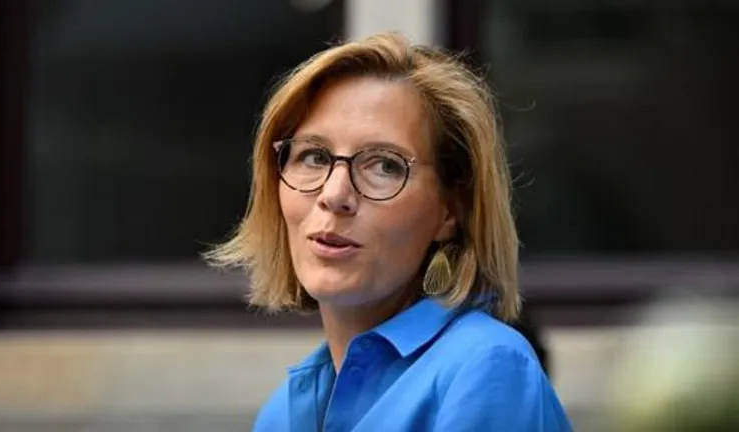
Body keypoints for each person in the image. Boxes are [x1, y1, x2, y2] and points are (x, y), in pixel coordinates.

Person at [207, 32, 572, 432]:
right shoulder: (282, 414)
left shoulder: (486, 366)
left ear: (450, 210)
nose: (334, 195)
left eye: (384, 166)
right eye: (313, 156)